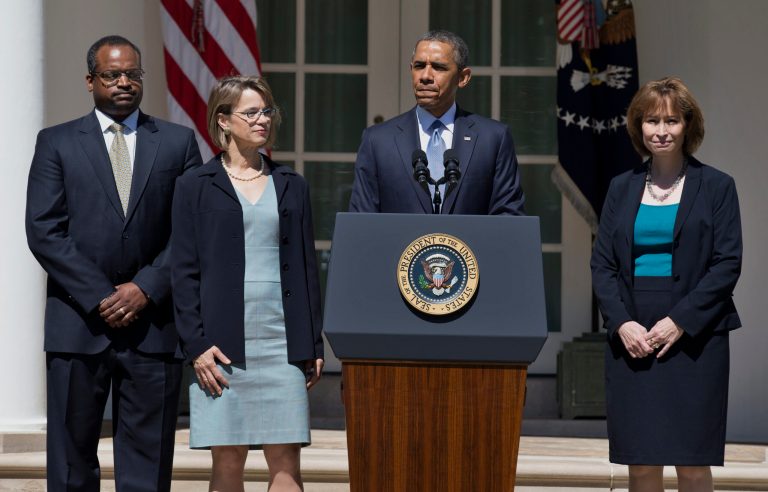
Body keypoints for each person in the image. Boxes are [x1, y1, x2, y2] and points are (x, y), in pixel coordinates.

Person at [25, 35, 202, 491]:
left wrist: (145, 287)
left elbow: (190, 231)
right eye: (111, 75)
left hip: (152, 328)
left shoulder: (178, 143)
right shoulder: (56, 142)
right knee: (70, 464)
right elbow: (44, 230)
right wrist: (103, 296)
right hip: (77, 326)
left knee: (147, 464)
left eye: (132, 74)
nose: (124, 82)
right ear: (90, 81)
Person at [171, 75, 324, 491]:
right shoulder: (194, 187)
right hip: (220, 343)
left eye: (267, 111)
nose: (263, 120)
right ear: (223, 120)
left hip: (281, 338)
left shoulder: (292, 185)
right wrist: (196, 345)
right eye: (251, 112)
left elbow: (306, 268)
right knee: (228, 458)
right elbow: (182, 272)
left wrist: (311, 343)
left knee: (286, 460)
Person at [591, 77, 742, 491]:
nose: (661, 130)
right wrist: (621, 323)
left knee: (691, 465)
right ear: (638, 126)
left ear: (687, 127)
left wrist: (679, 320)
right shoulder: (620, 188)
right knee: (641, 465)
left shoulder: (717, 187)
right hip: (632, 337)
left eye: (672, 121)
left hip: (695, 339)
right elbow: (602, 265)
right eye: (652, 120)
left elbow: (727, 264)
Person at [349, 30, 525, 215]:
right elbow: (362, 219)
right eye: (419, 66)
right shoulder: (377, 140)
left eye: (438, 67)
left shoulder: (492, 139)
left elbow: (508, 215)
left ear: (463, 77)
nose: (425, 76)